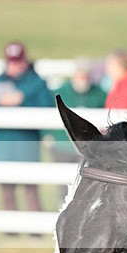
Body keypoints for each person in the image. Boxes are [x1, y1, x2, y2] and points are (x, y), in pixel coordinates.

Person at [0, 41, 53, 215]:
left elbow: (47, 107)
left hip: (26, 141)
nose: (15, 65)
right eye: (11, 61)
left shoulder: (36, 83)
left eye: (18, 61)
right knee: (6, 188)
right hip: (3, 142)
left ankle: (35, 227)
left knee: (30, 187)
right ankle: (10, 229)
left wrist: (23, 100)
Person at [42, 57, 106, 202]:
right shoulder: (59, 92)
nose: (83, 79)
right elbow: (47, 114)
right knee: (63, 186)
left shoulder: (99, 93)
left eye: (86, 75)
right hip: (62, 145)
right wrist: (47, 135)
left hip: (87, 148)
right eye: (80, 75)